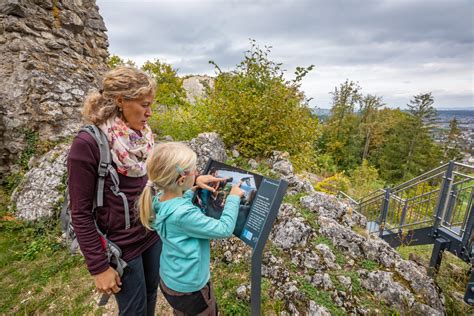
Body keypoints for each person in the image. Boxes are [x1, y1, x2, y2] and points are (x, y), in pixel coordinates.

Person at [67, 66, 161, 315]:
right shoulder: (87, 144)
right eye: (144, 105)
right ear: (120, 100)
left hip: (149, 234)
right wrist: (98, 266)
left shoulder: (142, 138)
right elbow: (80, 213)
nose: (149, 113)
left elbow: (153, 181)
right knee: (134, 310)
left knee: (151, 294)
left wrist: (193, 179)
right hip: (119, 246)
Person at [139, 142, 244, 315]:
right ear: (181, 180)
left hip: (170, 280)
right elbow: (224, 229)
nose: (197, 174)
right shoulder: (183, 214)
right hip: (192, 290)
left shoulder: (159, 199)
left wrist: (193, 187)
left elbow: (177, 200)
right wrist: (233, 198)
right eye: (194, 171)